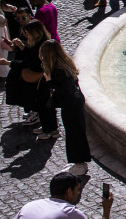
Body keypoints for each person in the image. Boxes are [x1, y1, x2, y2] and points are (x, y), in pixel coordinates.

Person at [39, 40, 92, 176]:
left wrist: (49, 81)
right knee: (77, 131)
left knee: (73, 133)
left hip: (70, 105)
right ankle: (80, 162)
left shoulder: (58, 71)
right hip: (76, 101)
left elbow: (63, 91)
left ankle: (79, 164)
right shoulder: (66, 64)